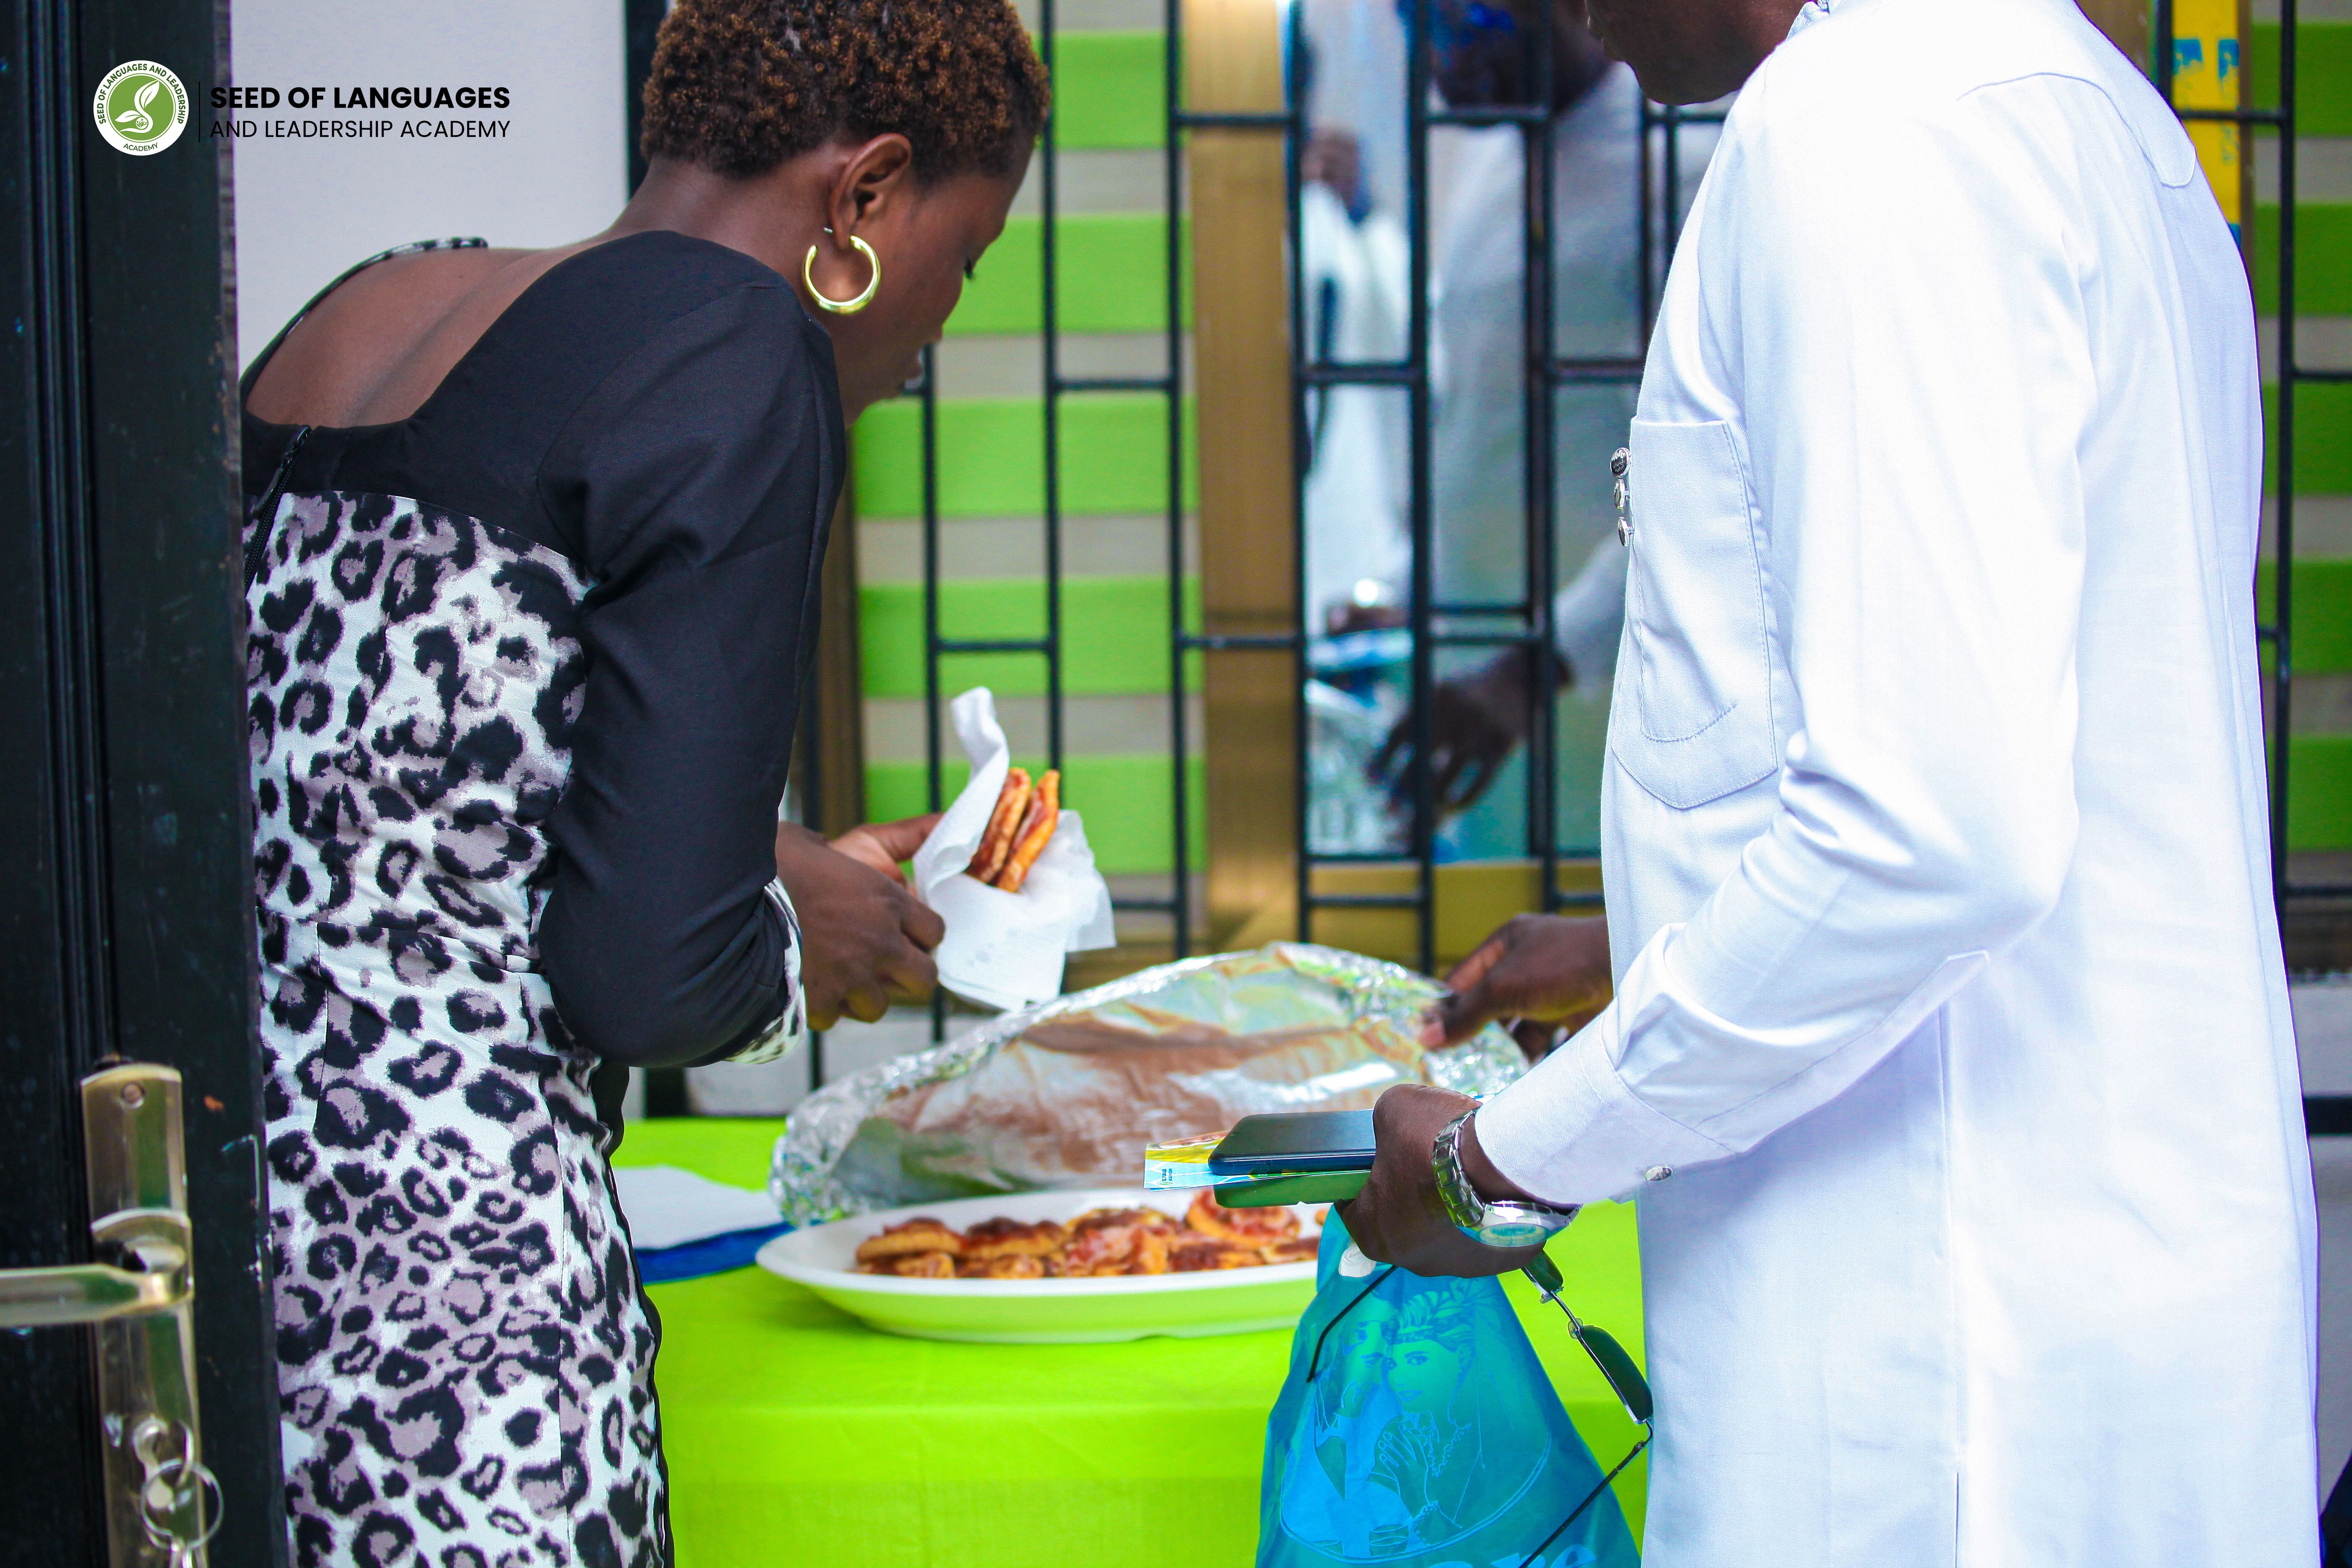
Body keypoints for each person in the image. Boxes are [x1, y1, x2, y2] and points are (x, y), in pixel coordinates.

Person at [1336, 0, 2321, 1559]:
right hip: (2072, 1263)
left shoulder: (1869, 123)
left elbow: (1929, 840)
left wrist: (1504, 1165)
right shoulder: (2066, 91)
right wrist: (1646, 949)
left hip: (1943, 1357)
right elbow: (2000, 740)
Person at [239, 0, 1047, 1560]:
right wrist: (803, 951)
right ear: (867, 199)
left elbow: (390, 813)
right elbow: (653, 982)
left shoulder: (369, 307)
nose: (936, 337)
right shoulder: (737, 352)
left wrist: (769, 859)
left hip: (235, 1270)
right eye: (966, 262)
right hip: (460, 1332)